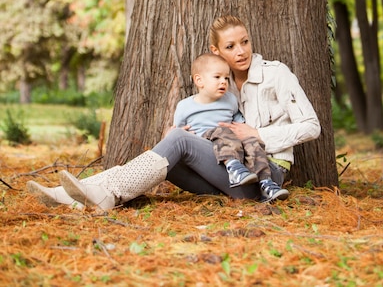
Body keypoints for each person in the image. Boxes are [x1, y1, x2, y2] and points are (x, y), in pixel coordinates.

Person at [27, 15, 321, 210]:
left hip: (264, 177)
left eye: (244, 41)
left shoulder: (276, 74)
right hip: (230, 176)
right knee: (171, 148)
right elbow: (213, 128)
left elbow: (311, 126)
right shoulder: (223, 87)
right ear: (216, 51)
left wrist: (257, 133)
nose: (241, 51)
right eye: (230, 46)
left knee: (178, 141)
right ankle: (70, 195)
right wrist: (184, 135)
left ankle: (106, 194)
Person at [174, 52, 288, 201]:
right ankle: (234, 169)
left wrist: (246, 134)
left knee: (251, 141)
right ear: (199, 80)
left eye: (226, 78)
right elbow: (179, 132)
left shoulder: (230, 100)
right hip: (207, 147)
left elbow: (238, 122)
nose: (223, 82)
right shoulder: (185, 106)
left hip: (231, 143)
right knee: (222, 131)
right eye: (217, 77)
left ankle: (266, 183)